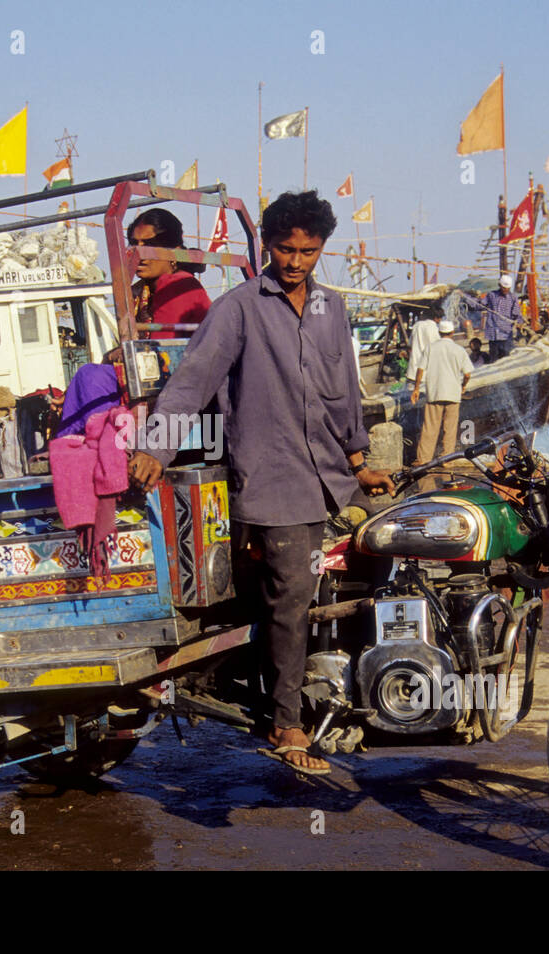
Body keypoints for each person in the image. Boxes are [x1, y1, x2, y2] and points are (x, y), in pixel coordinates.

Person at [127, 190, 395, 775]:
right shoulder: (239, 307)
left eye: (308, 250)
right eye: (284, 249)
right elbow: (192, 383)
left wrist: (358, 463)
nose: (296, 261)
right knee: (291, 597)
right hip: (271, 480)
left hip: (331, 477)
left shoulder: (333, 308)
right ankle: (286, 720)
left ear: (322, 248)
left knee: (386, 568)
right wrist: (154, 447)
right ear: (268, 245)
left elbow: (345, 392)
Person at [127, 209, 212, 340]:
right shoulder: (140, 291)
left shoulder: (179, 285)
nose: (140, 255)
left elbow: (163, 348)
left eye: (150, 246)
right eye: (134, 245)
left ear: (174, 252)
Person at [411, 319, 474, 493]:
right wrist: (463, 385)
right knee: (450, 428)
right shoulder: (459, 350)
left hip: (435, 392)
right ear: (453, 333)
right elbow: (468, 373)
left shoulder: (431, 348)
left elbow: (420, 369)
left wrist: (416, 388)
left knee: (430, 427)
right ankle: (447, 459)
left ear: (439, 333)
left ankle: (423, 460)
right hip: (453, 394)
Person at [480, 274, 519, 360]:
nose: (506, 290)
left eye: (507, 288)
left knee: (506, 360)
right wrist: (467, 298)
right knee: (494, 360)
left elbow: (516, 314)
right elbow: (480, 305)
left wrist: (520, 324)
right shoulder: (491, 295)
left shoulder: (513, 298)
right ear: (500, 285)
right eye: (504, 288)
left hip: (505, 335)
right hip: (493, 335)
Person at [404, 308, 440, 385]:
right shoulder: (434, 328)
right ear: (436, 318)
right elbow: (437, 348)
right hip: (426, 373)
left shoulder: (417, 325)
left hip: (413, 370)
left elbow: (409, 346)